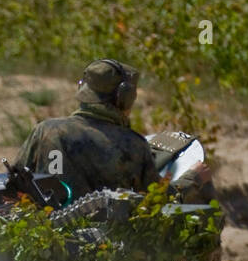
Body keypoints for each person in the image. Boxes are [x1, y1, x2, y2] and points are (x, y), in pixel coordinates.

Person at [13, 59, 159, 199]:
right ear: (124, 97)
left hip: (45, 223)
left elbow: (16, 180)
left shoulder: (46, 130)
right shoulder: (134, 145)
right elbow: (154, 199)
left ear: (82, 87)